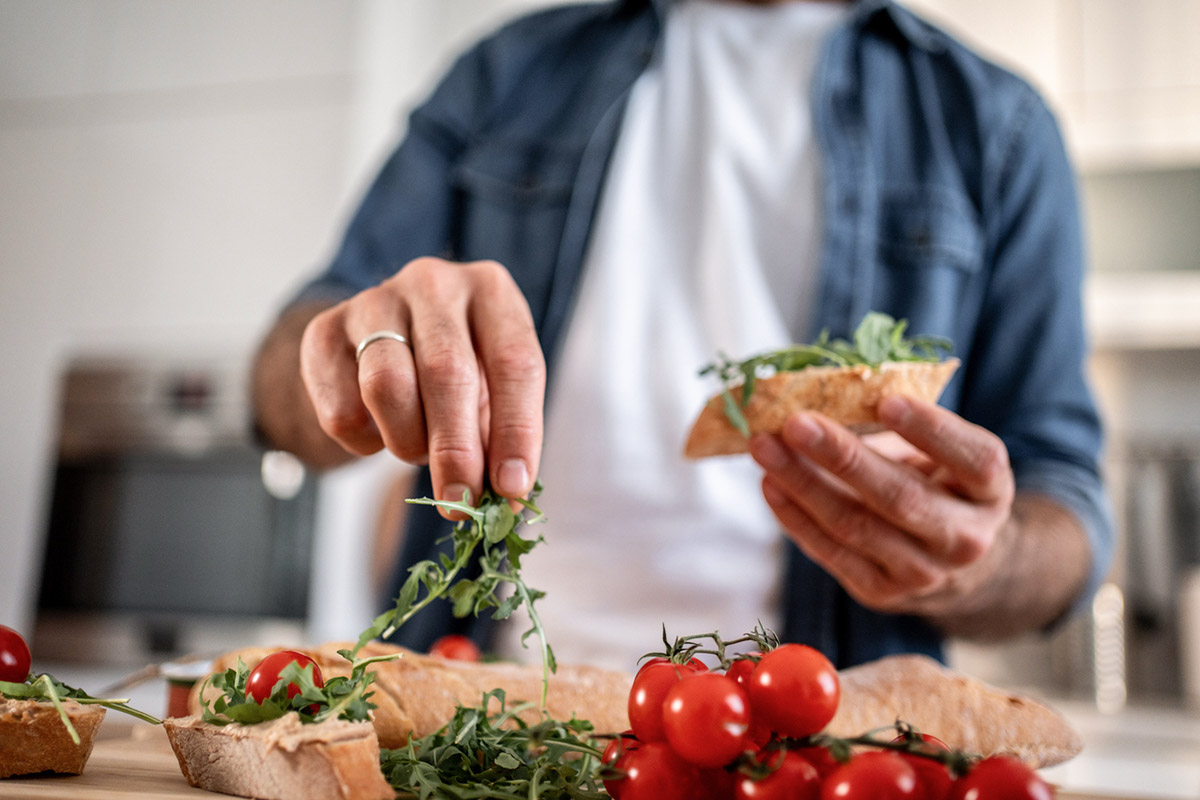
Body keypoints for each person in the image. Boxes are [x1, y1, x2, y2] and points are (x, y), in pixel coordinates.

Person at [252, 0, 1113, 671]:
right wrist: (349, 353)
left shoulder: (997, 126)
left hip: (821, 739)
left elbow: (1065, 502)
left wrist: (985, 563)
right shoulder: (506, 74)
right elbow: (277, 392)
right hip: (485, 720)